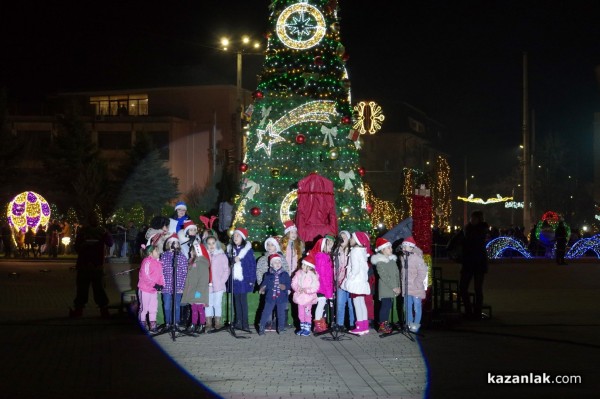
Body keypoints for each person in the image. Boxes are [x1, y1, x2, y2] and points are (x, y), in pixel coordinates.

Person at [69, 214, 113, 318]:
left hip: (89, 265)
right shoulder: (93, 231)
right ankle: (102, 310)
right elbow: (110, 243)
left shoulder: (86, 231)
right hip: (90, 265)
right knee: (93, 289)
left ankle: (82, 310)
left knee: (90, 289)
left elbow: (76, 247)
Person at [459, 210, 490, 320]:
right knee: (463, 287)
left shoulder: (481, 230)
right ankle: (469, 310)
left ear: (479, 219)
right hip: (469, 262)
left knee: (477, 288)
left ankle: (476, 312)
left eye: (474, 218)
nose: (472, 220)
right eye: (471, 218)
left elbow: (473, 242)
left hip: (477, 262)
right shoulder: (468, 229)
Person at [341, 231, 372, 335]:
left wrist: (350, 277)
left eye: (352, 238)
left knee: (357, 304)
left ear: (357, 240)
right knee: (362, 303)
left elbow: (355, 268)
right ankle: (364, 326)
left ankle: (359, 326)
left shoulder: (355, 251)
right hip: (362, 281)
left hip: (356, 282)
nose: (350, 240)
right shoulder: (362, 251)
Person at [256, 236, 289, 331]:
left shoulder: (281, 259)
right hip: (268, 288)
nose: (270, 247)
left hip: (280, 288)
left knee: (280, 307)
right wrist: (261, 286)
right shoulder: (262, 259)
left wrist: (286, 287)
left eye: (272, 245)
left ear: (276, 247)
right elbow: (259, 272)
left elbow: (286, 271)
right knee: (268, 305)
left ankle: (279, 324)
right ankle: (268, 323)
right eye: (268, 245)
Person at [226, 227, 256, 331]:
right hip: (234, 279)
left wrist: (252, 279)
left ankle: (245, 323)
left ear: (242, 237)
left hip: (244, 279)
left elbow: (252, 265)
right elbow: (227, 263)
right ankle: (238, 321)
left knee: (243, 301)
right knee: (236, 301)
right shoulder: (230, 250)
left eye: (237, 235)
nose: (235, 237)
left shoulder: (247, 251)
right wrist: (231, 261)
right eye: (234, 235)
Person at [371, 237, 400, 334]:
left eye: (391, 248)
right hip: (385, 288)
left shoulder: (392, 260)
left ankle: (385, 323)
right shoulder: (380, 262)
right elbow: (384, 276)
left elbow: (397, 274)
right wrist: (394, 287)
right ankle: (382, 325)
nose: (391, 249)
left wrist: (398, 286)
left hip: (393, 288)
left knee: (388, 305)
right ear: (382, 250)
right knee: (385, 306)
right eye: (388, 248)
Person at [398, 236, 427, 333]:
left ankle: (416, 324)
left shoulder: (417, 258)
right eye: (403, 246)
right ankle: (409, 323)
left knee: (417, 306)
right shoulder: (403, 258)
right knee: (407, 306)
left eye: (405, 246)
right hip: (407, 287)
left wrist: (417, 283)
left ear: (411, 247)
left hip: (416, 287)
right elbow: (403, 273)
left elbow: (422, 271)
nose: (403, 248)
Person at [258, 253, 291, 335]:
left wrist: (285, 286)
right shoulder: (267, 275)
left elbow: (289, 284)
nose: (277, 264)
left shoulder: (285, 274)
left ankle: (281, 328)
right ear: (271, 264)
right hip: (270, 297)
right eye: (275, 262)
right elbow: (264, 283)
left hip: (282, 298)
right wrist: (262, 288)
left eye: (279, 262)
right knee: (266, 312)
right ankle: (261, 327)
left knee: (281, 313)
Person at [182, 241, 211, 334]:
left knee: (199, 309)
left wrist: (198, 293)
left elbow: (203, 280)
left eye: (192, 251)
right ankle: (193, 324)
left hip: (199, 292)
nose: (190, 253)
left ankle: (202, 324)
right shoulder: (192, 262)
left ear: (197, 252)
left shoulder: (201, 263)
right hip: (193, 291)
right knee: (194, 309)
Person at [160, 233, 188, 327]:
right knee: (167, 305)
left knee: (176, 306)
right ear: (168, 244)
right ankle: (168, 323)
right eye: (171, 242)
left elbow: (185, 273)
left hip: (178, 285)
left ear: (178, 245)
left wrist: (182, 287)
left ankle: (176, 323)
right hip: (166, 285)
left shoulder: (182, 257)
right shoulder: (163, 256)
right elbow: (160, 271)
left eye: (175, 242)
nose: (173, 244)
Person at [137, 243, 165, 332]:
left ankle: (153, 325)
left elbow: (161, 275)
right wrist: (154, 284)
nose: (158, 252)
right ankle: (142, 324)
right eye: (156, 251)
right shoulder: (146, 262)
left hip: (153, 290)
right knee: (144, 308)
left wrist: (161, 285)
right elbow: (145, 276)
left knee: (153, 307)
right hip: (145, 289)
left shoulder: (158, 263)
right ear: (150, 253)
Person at [204, 233, 230, 329]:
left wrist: (221, 281)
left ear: (217, 244)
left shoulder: (221, 256)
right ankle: (208, 322)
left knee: (217, 304)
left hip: (218, 285)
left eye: (213, 243)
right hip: (207, 285)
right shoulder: (204, 256)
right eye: (209, 243)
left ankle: (217, 322)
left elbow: (226, 270)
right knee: (208, 304)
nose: (211, 245)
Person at [311, 234, 335, 333]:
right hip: (322, 287)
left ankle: (321, 324)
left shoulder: (325, 256)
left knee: (321, 304)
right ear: (323, 247)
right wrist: (329, 292)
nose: (331, 247)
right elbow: (324, 276)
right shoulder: (321, 257)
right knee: (320, 304)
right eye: (328, 245)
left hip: (323, 287)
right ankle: (318, 325)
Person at [291, 255, 319, 336]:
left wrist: (307, 290)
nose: (302, 266)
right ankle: (302, 328)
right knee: (300, 314)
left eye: (304, 265)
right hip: (300, 298)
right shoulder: (298, 273)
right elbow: (293, 283)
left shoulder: (313, 275)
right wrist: (297, 288)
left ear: (310, 267)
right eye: (302, 264)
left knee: (307, 313)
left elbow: (316, 287)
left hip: (308, 298)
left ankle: (307, 329)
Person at [335, 230, 355, 331]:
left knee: (351, 304)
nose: (342, 238)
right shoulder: (336, 251)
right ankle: (339, 324)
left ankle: (352, 324)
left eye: (345, 237)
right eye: (341, 236)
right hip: (340, 281)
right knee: (340, 303)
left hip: (350, 281)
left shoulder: (352, 250)